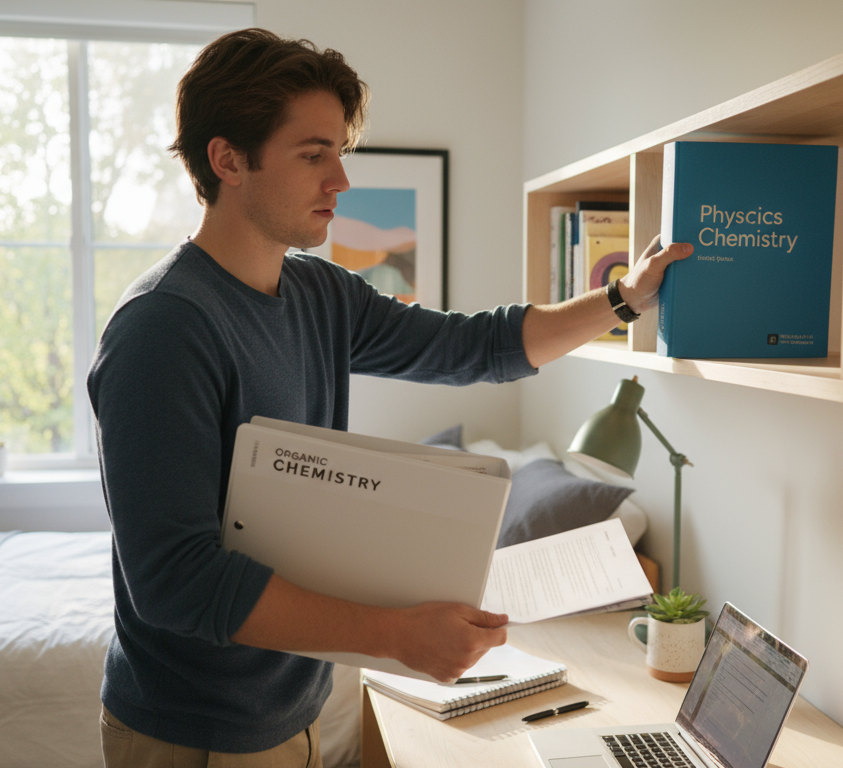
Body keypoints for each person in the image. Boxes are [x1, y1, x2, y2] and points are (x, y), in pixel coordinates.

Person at [88, 27, 691, 768]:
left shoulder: (317, 292)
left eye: (340, 153)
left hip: (294, 710)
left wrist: (623, 301)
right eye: (314, 155)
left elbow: (475, 347)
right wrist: (395, 634)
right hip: (196, 733)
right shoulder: (163, 330)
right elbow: (176, 583)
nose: (340, 180)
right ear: (227, 159)